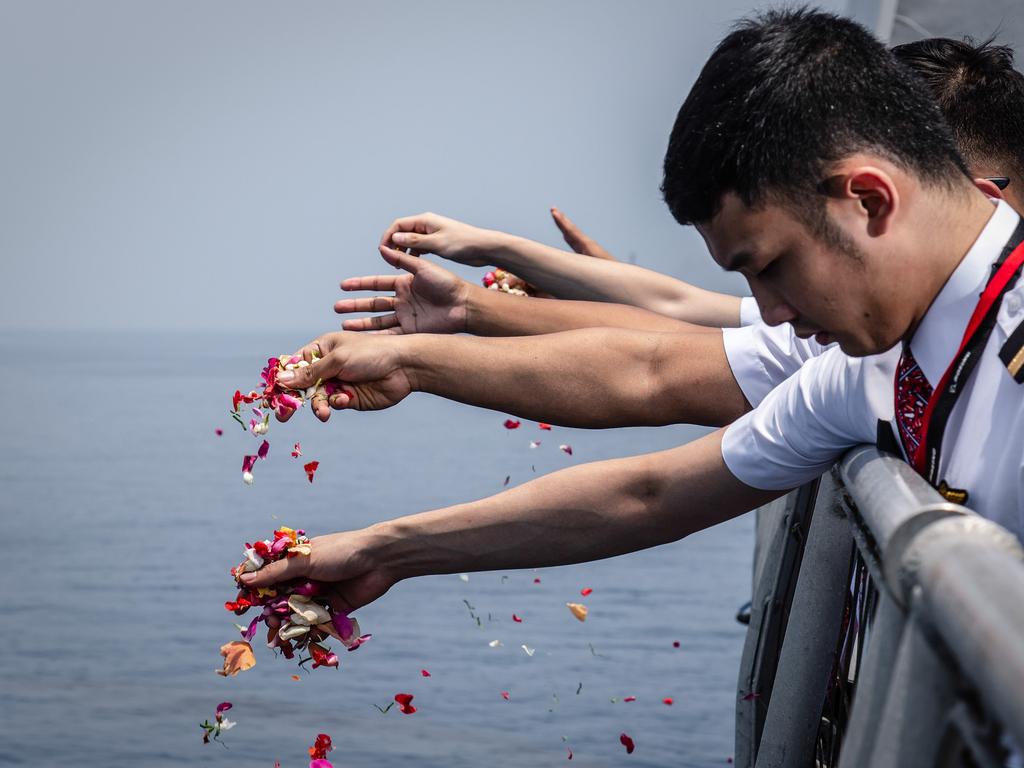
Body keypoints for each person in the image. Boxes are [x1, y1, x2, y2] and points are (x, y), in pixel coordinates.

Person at [243, 10, 1023, 627]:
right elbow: (648, 491)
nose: (773, 313)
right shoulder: (865, 369)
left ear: (870, 199)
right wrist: (387, 551)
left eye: (772, 267)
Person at [333, 36, 1024, 417]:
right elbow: (678, 328)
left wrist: (454, 325)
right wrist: (483, 278)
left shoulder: (882, 335)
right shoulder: (867, 344)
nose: (772, 310)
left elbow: (660, 364)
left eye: (771, 266)